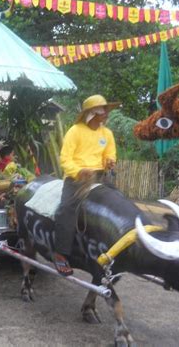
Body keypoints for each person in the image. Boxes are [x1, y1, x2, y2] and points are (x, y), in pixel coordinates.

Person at [53, 95, 120, 276]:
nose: (106, 115)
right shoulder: (75, 131)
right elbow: (65, 158)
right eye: (101, 111)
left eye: (106, 111)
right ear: (90, 114)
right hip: (76, 178)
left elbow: (110, 154)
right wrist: (78, 172)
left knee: (117, 203)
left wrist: (110, 161)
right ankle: (60, 253)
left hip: (99, 177)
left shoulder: (107, 134)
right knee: (67, 208)